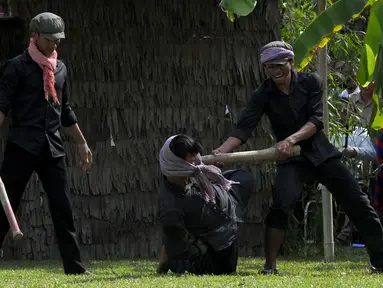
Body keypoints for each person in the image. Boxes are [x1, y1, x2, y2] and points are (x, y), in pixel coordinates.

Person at [213, 40, 383, 274]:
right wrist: (222, 152)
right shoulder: (263, 93)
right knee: (280, 207)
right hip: (291, 160)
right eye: (270, 66)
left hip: (320, 153)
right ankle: (270, 267)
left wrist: (290, 140)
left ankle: (381, 262)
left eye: (280, 65)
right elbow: (244, 128)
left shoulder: (310, 82)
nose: (275, 71)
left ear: (291, 63)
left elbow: (317, 120)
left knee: (358, 202)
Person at [0, 12, 91, 275]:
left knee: (63, 209)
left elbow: (66, 111)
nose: (55, 45)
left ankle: (74, 268)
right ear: (35, 36)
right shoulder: (15, 67)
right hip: (21, 147)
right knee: (5, 208)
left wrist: (82, 143)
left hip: (52, 149)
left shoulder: (60, 69)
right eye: (50, 40)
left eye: (58, 40)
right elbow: (2, 107)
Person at [156, 134, 254, 275]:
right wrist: (200, 247)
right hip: (218, 239)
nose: (197, 161)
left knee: (244, 178)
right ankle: (169, 254)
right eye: (191, 160)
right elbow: (181, 251)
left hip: (228, 202)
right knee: (224, 268)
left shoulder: (192, 174)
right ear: (176, 163)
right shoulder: (171, 208)